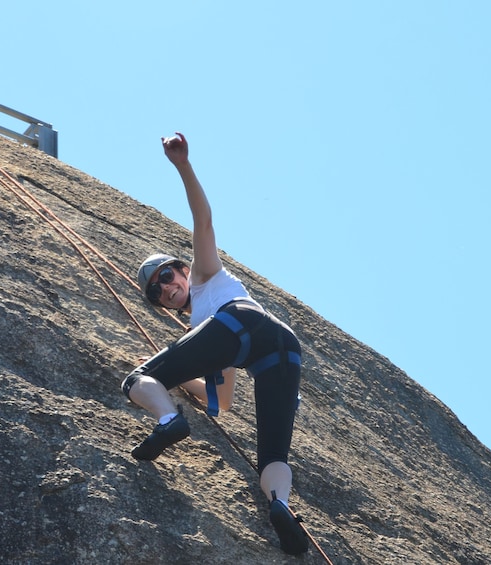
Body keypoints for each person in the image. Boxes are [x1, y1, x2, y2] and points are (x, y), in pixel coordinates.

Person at [121, 132, 308, 555]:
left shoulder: (206, 279)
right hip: (279, 349)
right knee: (272, 455)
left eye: (167, 276)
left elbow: (203, 220)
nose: (165, 289)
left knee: (136, 380)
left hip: (241, 320)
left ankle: (168, 422)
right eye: (155, 292)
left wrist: (182, 165)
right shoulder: (204, 336)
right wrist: (179, 377)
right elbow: (220, 403)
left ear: (183, 270)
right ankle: (281, 505)